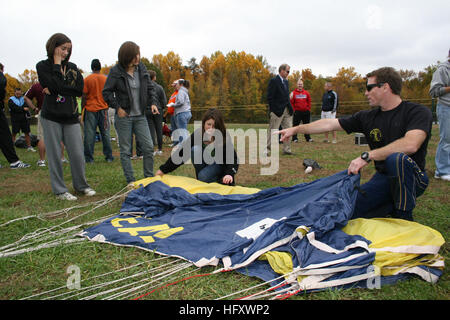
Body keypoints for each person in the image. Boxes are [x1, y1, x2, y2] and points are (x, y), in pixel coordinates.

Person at [278, 67, 432, 221]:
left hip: (413, 177)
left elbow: (411, 144)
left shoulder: (417, 112)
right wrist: (296, 129)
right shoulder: (368, 117)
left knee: (396, 159)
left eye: (369, 88)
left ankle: (404, 217)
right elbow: (329, 124)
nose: (366, 93)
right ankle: (389, 206)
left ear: (385, 87)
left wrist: (368, 156)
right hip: (383, 178)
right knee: (348, 208)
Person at [36, 33, 96, 200]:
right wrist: (56, 67)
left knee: (77, 153)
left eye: (68, 50)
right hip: (51, 116)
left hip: (70, 116)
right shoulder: (42, 66)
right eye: (63, 49)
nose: (65, 53)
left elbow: (78, 90)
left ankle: (81, 185)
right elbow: (53, 85)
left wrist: (57, 87)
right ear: (53, 47)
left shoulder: (73, 67)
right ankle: (60, 190)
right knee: (55, 154)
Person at [102, 41, 159, 185]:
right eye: (135, 55)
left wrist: (152, 103)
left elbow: (150, 87)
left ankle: (148, 179)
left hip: (140, 116)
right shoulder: (116, 71)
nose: (138, 58)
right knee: (126, 150)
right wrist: (117, 108)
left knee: (148, 147)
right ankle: (130, 181)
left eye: (138, 54)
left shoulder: (142, 68)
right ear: (127, 56)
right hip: (124, 117)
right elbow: (106, 92)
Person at [156, 108, 239, 185]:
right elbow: (181, 154)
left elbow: (233, 158)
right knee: (195, 150)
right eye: (208, 124)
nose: (211, 128)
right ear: (204, 124)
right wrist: (163, 170)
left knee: (203, 176)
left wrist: (229, 174)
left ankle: (213, 180)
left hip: (218, 166)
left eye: (214, 126)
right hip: (205, 166)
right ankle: (203, 180)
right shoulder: (198, 134)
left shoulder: (223, 137)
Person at [82, 58, 114, 163]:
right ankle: (109, 157)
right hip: (103, 109)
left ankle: (89, 158)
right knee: (106, 134)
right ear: (100, 67)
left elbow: (84, 95)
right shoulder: (105, 79)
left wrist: (82, 109)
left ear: (92, 67)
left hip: (90, 109)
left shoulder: (87, 79)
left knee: (89, 135)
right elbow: (109, 94)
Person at [0, 63, 31, 169]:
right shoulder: (11, 99)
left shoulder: (22, 99)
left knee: (24, 132)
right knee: (6, 135)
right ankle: (14, 161)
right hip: (14, 118)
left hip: (22, 119)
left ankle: (17, 158)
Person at [429, 50, 450, 181]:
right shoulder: (442, 69)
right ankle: (441, 171)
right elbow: (433, 92)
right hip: (446, 107)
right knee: (447, 140)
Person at [266, 64, 294, 155]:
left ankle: (287, 149)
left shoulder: (286, 82)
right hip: (277, 111)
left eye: (289, 71)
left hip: (287, 110)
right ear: (281, 70)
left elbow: (286, 97)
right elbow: (270, 97)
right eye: (287, 71)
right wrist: (274, 110)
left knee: (288, 130)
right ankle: (267, 149)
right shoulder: (274, 81)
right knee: (273, 130)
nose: (288, 73)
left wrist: (290, 109)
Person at [8, 87, 35, 152]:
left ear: (21, 93)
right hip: (15, 119)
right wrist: (22, 109)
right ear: (14, 93)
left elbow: (27, 107)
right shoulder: (11, 100)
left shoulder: (23, 99)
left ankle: (29, 147)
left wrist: (22, 109)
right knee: (14, 133)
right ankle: (11, 148)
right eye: (17, 94)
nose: (18, 95)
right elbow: (14, 108)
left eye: (20, 94)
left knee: (27, 133)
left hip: (24, 119)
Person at [147, 70, 166, 155]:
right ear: (154, 77)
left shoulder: (145, 87)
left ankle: (151, 149)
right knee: (159, 129)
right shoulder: (159, 87)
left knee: (150, 130)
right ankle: (160, 149)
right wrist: (161, 108)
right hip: (158, 109)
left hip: (148, 110)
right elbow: (164, 101)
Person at [171, 79, 192, 147]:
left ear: (181, 85)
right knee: (183, 130)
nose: (176, 86)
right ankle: (183, 144)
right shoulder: (185, 91)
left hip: (182, 113)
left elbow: (181, 102)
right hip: (187, 112)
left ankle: (183, 145)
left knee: (182, 130)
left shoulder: (181, 91)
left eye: (177, 84)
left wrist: (173, 105)